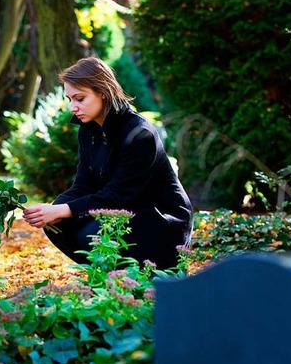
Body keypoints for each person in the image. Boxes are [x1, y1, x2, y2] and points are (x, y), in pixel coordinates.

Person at [22, 57, 193, 270]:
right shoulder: (89, 131)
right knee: (57, 225)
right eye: (70, 100)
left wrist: (63, 209)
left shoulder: (139, 134)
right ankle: (108, 275)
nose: (73, 107)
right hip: (126, 210)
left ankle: (133, 276)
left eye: (80, 99)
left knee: (91, 232)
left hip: (160, 218)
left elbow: (120, 195)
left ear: (102, 92)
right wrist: (52, 210)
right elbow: (83, 185)